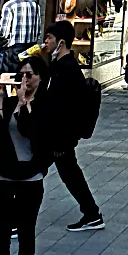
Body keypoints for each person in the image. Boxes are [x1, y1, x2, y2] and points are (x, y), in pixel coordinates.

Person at [0, 55, 49, 255]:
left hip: (29, 179)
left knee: (26, 230)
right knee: (1, 232)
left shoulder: (45, 105)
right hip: (1, 176)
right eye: (21, 74)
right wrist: (0, 103)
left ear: (40, 78)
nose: (25, 79)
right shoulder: (12, 101)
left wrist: (25, 105)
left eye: (30, 74)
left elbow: (31, 132)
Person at [39, 20, 103, 231]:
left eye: (49, 38)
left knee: (37, 173)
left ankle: (12, 220)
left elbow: (64, 109)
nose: (45, 42)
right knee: (68, 174)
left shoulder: (67, 69)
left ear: (62, 42)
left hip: (59, 137)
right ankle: (92, 214)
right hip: (57, 136)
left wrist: (60, 141)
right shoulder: (58, 65)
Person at [0, 0, 39, 86]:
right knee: (25, 81)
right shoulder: (35, 5)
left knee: (5, 81)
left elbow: (4, 33)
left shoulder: (9, 5)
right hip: (31, 48)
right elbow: (38, 30)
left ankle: (2, 103)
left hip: (13, 50)